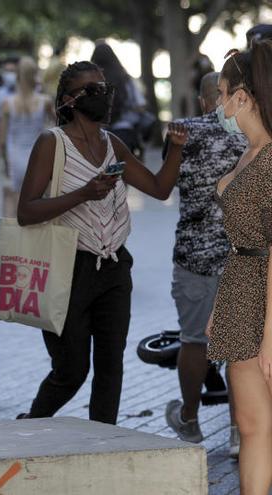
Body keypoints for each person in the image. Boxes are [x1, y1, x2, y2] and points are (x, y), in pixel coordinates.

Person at [15, 61, 188, 425]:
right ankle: (30, 425)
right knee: (71, 370)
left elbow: (158, 189)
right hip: (67, 269)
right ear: (69, 100)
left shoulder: (114, 144)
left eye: (105, 88)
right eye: (91, 90)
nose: (103, 96)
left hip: (113, 267)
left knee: (111, 367)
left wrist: (174, 148)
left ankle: (104, 443)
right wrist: (83, 193)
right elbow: (26, 212)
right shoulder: (52, 143)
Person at [163, 72, 245, 454]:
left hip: (194, 255)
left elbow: (165, 180)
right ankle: (238, 431)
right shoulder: (253, 129)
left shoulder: (186, 132)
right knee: (240, 346)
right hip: (243, 257)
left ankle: (191, 421)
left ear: (201, 100)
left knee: (194, 341)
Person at [205, 41, 272, 494]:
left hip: (263, 299)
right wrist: (220, 308)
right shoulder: (250, 153)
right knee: (251, 428)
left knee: (258, 427)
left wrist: (270, 333)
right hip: (241, 291)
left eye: (222, 93)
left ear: (243, 97)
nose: (218, 104)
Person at [0, 56, 55, 218]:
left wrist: (3, 158)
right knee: (41, 197)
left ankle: (15, 236)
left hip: (14, 155)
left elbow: (2, 138)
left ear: (17, 76)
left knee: (15, 197)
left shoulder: (8, 103)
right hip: (39, 155)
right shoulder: (44, 101)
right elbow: (59, 125)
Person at [91, 42, 148, 155]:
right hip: (124, 131)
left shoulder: (90, 80)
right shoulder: (125, 78)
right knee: (125, 168)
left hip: (97, 133)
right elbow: (140, 104)